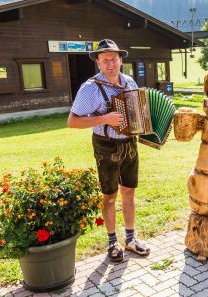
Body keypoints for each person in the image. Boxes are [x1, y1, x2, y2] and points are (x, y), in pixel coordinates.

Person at [67, 39, 150, 262]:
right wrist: (105, 118)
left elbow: (137, 111)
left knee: (129, 193)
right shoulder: (90, 88)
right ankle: (112, 242)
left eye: (114, 58)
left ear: (121, 60)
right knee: (110, 197)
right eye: (105, 60)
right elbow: (72, 121)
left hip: (129, 144)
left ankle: (130, 240)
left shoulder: (129, 81)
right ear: (99, 63)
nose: (110, 63)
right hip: (106, 145)